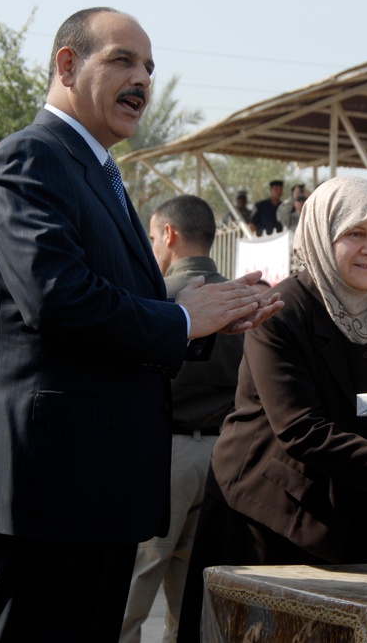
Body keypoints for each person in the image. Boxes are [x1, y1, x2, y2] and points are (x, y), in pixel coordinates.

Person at [0, 7, 281, 643]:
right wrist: (180, 317)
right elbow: (57, 299)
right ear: (67, 64)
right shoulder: (28, 159)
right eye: (122, 59)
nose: (142, 79)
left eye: (149, 66)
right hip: (47, 481)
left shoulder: (99, 172)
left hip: (100, 482)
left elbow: (113, 309)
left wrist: (212, 318)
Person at [178, 176, 367, 641]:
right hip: (263, 510)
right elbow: (300, 430)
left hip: (348, 508)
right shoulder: (280, 309)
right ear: (321, 234)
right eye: (354, 234)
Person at [120, 195, 245, 643]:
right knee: (194, 599)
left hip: (163, 455)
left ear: (169, 235)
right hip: (223, 456)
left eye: (154, 237)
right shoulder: (240, 297)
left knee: (131, 589)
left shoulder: (154, 299)